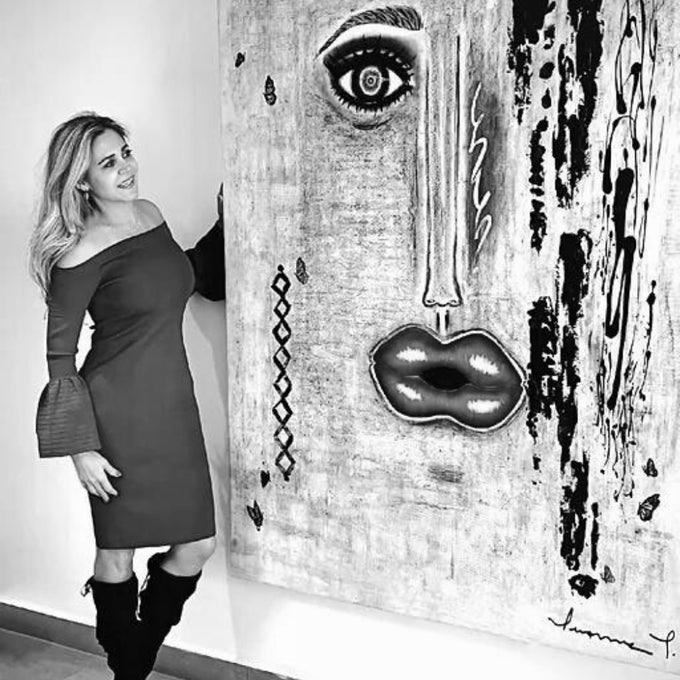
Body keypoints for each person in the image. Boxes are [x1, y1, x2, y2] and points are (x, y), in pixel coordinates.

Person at [28, 112, 225, 680]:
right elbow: (59, 357)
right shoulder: (77, 253)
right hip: (116, 414)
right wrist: (80, 448)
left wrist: (229, 221)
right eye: (108, 163)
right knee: (118, 550)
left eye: (126, 153)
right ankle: (131, 670)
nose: (126, 168)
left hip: (173, 407)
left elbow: (180, 276)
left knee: (197, 545)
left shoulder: (151, 214)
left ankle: (133, 655)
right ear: (81, 179)